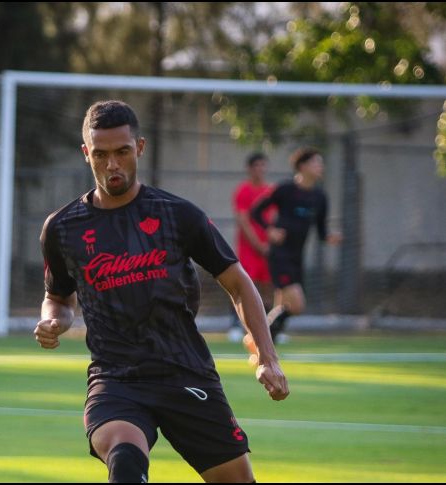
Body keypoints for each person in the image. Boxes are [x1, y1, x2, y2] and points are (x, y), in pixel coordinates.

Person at [34, 100, 289, 483]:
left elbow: (238, 283)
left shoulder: (176, 214)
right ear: (86, 154)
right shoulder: (63, 228)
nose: (112, 164)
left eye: (121, 152)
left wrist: (268, 357)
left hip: (184, 370)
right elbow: (58, 296)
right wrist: (52, 319)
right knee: (125, 457)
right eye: (100, 155)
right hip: (116, 377)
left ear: (139, 147)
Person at [245, 147, 342, 355]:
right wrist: (269, 230)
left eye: (320, 163)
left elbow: (322, 230)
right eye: (316, 162)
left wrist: (330, 237)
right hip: (280, 255)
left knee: (283, 305)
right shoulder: (285, 190)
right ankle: (258, 342)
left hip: (297, 257)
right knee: (297, 305)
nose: (320, 166)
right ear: (302, 166)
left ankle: (264, 350)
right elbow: (256, 211)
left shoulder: (319, 197)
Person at [228, 153, 274, 343]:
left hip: (267, 249)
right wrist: (258, 244)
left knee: (268, 287)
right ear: (249, 168)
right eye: (256, 165)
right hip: (250, 249)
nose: (260, 169)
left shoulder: (270, 191)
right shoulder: (243, 191)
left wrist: (269, 244)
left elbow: (273, 219)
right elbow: (243, 220)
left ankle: (269, 327)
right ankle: (236, 325)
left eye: (263, 165)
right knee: (244, 285)